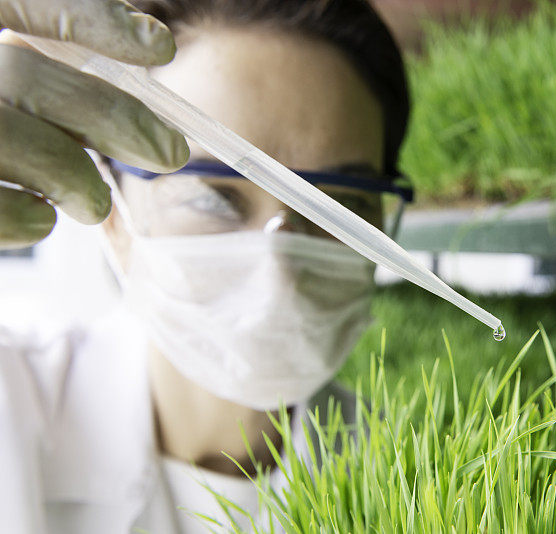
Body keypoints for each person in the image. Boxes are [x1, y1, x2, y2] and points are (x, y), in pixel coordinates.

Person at [0, 0, 409, 532]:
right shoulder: (12, 405)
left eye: (340, 211)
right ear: (114, 216)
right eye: (214, 199)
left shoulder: (414, 470)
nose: (277, 274)